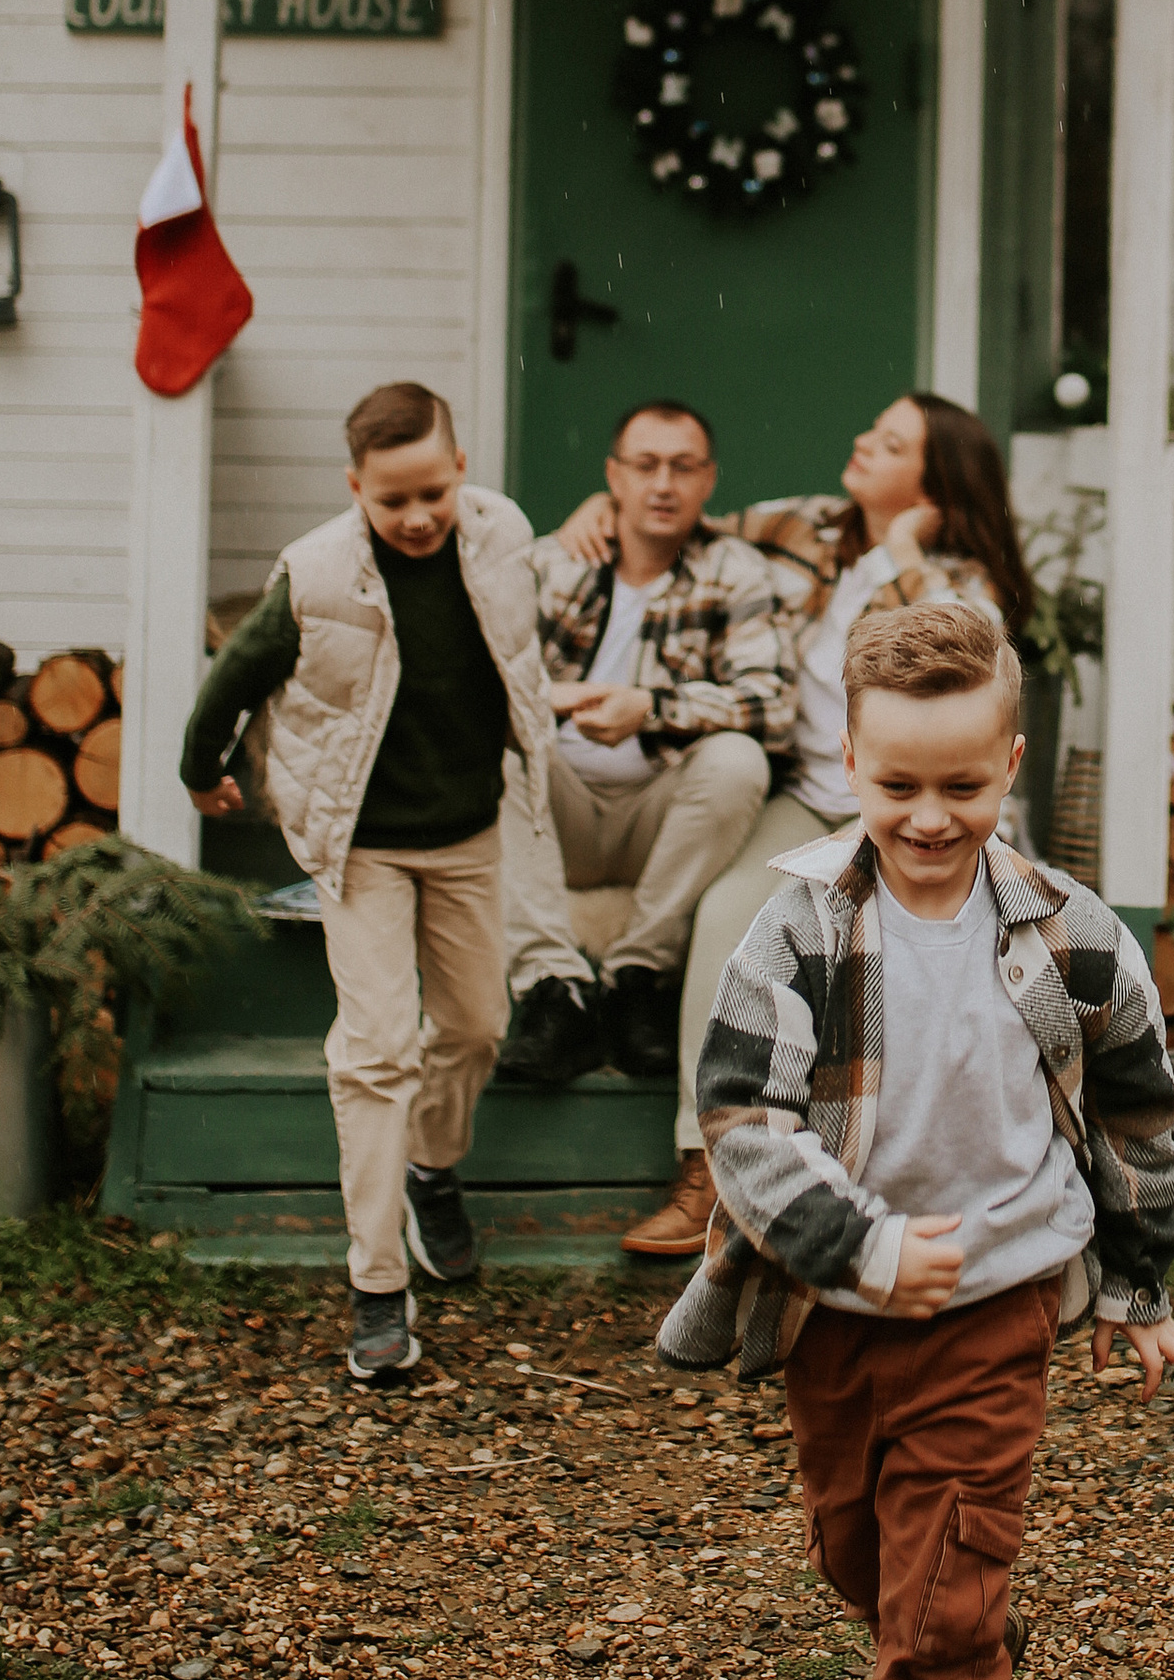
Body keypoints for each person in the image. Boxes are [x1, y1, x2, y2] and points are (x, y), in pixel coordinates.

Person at [657, 594, 1174, 1680]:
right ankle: (944, 1627)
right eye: (899, 786)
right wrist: (863, 1248)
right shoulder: (795, 928)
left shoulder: (1072, 936)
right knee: (860, 1556)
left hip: (996, 1307)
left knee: (938, 1614)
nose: (932, 816)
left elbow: (1141, 1109)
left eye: (964, 786)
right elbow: (744, 1124)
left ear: (1010, 763)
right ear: (849, 759)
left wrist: (1138, 1285)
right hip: (839, 1314)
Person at [554, 391, 1035, 1267]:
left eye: (888, 443)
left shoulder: (954, 578)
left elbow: (972, 650)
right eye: (871, 426)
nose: (860, 442)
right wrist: (604, 506)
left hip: (897, 810)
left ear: (932, 484)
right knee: (728, 919)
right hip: (809, 794)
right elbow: (682, 514)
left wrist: (901, 550)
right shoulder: (808, 526)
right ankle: (706, 1170)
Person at [180, 380, 558, 1384]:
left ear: (459, 466)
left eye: (432, 489)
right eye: (393, 501)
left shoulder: (500, 534)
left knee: (478, 1023)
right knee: (379, 1047)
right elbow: (237, 672)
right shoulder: (315, 574)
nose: (418, 515)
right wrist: (200, 765)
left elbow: (520, 643)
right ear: (357, 489)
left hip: (469, 831)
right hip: (365, 846)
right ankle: (377, 1286)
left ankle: (433, 1169)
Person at [494, 399, 793, 1092]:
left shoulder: (733, 571)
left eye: (683, 467)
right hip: (557, 809)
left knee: (737, 758)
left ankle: (638, 976)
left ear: (709, 480)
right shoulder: (552, 563)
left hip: (661, 816)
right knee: (490, 749)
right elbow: (481, 683)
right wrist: (549, 700)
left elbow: (771, 703)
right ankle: (553, 991)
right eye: (646, 465)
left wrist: (650, 710)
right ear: (613, 477)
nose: (664, 484)